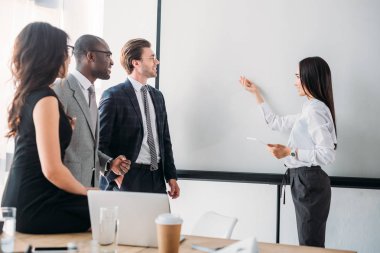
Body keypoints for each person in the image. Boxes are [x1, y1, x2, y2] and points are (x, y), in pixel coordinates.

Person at [1, 22, 90, 233]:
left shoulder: (28, 95)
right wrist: (87, 192)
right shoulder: (46, 99)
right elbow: (52, 170)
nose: (68, 57)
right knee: (108, 210)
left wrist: (63, 127)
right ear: (50, 55)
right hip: (35, 204)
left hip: (18, 200)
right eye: (66, 51)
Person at [240, 56, 337, 247]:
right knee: (309, 244)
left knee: (310, 246)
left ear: (310, 77)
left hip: (308, 181)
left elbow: (327, 154)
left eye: (297, 76)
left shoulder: (315, 111)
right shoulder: (310, 108)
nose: (294, 82)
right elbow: (275, 122)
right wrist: (256, 93)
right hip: (304, 180)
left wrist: (289, 152)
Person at [98, 38, 180, 198]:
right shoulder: (113, 96)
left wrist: (171, 176)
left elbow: (164, 139)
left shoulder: (157, 96)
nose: (157, 61)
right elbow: (100, 143)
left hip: (156, 178)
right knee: (130, 224)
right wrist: (116, 177)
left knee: (160, 224)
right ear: (135, 63)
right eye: (151, 58)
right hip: (129, 178)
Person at [52, 34, 130, 188]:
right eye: (107, 55)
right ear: (91, 56)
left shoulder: (91, 93)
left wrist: (108, 164)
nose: (112, 62)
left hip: (88, 189)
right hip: (64, 190)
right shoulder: (60, 89)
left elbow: (85, 147)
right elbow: (51, 147)